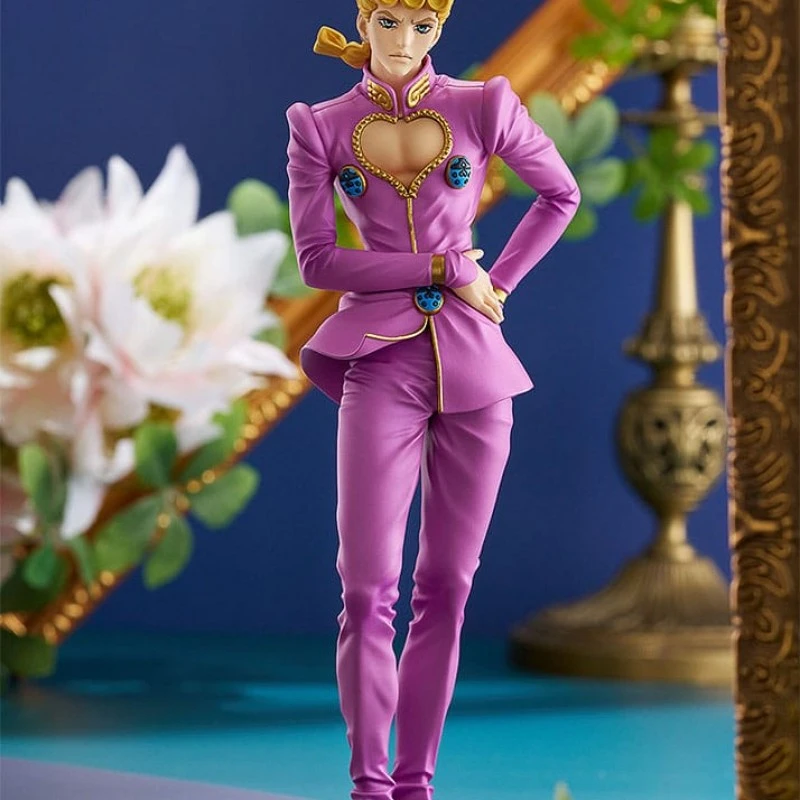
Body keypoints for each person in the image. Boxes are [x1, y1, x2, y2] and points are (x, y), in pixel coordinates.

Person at [285, 2, 580, 798]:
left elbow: (560, 194)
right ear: (363, 19)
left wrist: (500, 286)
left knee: (446, 585)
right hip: (379, 362)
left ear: (440, 29)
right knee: (365, 586)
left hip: (476, 370)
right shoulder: (320, 125)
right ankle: (369, 782)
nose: (403, 40)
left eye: (422, 24)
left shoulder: (483, 105)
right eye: (388, 20)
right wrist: (447, 269)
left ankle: (416, 782)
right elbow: (318, 262)